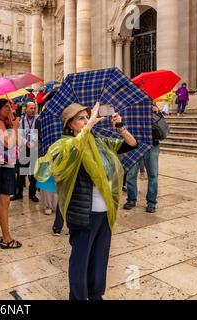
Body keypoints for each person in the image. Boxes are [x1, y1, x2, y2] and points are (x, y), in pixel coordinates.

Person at [35, 103, 138, 300]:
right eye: (81, 118)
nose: (86, 120)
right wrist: (90, 125)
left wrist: (120, 126)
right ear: (70, 125)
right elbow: (72, 154)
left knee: (100, 256)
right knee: (80, 260)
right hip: (83, 213)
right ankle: (78, 297)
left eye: (87, 117)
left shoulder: (97, 140)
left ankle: (95, 293)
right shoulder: (64, 145)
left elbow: (130, 145)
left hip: (105, 210)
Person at [0, 99, 23, 250]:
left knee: (2, 202)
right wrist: (14, 127)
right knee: (4, 203)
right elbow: (8, 143)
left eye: (10, 107)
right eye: (6, 107)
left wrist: (14, 126)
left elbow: (17, 143)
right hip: (3, 167)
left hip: (4, 166)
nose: (9, 109)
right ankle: (7, 239)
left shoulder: (3, 123)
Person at [124, 105, 162, 214]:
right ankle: (131, 199)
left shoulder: (151, 105)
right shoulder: (128, 108)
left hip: (151, 145)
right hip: (133, 145)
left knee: (153, 174)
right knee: (131, 175)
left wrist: (157, 113)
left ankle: (151, 202)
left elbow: (161, 125)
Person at [11, 101, 40, 203]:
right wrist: (26, 142)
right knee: (21, 173)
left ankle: (32, 194)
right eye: (31, 108)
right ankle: (19, 194)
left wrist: (33, 143)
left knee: (33, 173)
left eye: (34, 108)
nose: (33, 110)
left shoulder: (38, 119)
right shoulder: (21, 121)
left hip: (35, 148)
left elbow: (40, 133)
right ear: (25, 109)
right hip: (24, 148)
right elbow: (19, 134)